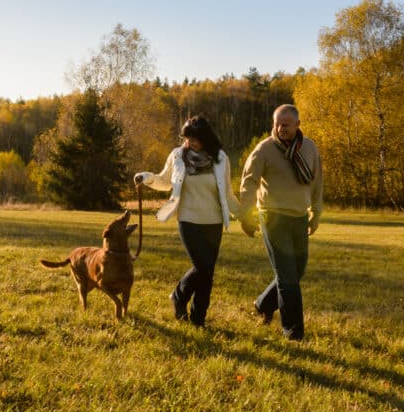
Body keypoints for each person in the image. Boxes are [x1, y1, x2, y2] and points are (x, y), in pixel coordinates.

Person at [134, 115, 240, 327]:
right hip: (188, 219)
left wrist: (243, 215)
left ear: (205, 137)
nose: (188, 142)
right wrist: (146, 177)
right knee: (202, 267)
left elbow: (227, 193)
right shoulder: (178, 156)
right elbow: (165, 181)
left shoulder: (220, 158)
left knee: (207, 273)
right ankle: (179, 296)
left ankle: (198, 319)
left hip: (213, 222)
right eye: (186, 138)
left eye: (194, 138)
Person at [239, 104, 323, 341]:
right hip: (272, 217)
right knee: (287, 278)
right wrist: (246, 216)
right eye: (276, 124)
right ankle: (293, 332)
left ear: (297, 125)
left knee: (297, 271)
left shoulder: (309, 148)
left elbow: (317, 182)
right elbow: (249, 183)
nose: (280, 128)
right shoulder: (264, 149)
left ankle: (263, 304)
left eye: (285, 124)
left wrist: (316, 213)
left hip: (299, 216)